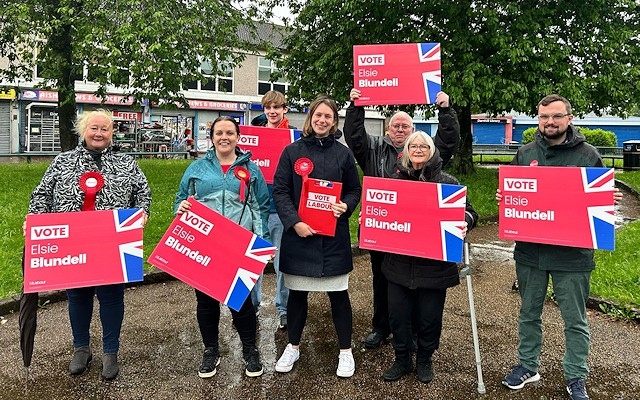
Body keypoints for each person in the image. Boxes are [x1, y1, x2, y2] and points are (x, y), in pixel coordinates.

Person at [498, 94, 623, 400]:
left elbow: (599, 199)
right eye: (543, 117)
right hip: (530, 252)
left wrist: (607, 201)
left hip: (573, 255)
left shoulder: (589, 155)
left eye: (555, 116)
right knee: (528, 313)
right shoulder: (525, 153)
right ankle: (528, 365)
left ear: (569, 117)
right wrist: (505, 200)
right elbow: (514, 195)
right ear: (537, 119)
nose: (549, 122)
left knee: (575, 319)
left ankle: (576, 376)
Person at [27, 109, 151, 380]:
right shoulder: (63, 162)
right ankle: (81, 348)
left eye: (104, 129)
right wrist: (34, 222)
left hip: (112, 242)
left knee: (111, 297)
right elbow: (41, 195)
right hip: (73, 244)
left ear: (111, 133)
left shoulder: (126, 163)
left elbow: (143, 192)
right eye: (94, 128)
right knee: (78, 296)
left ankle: (110, 351)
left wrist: (142, 214)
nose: (99, 133)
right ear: (83, 130)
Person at [343, 88, 461, 349]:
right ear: (387, 130)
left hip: (418, 233)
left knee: (417, 284)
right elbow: (354, 137)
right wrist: (355, 107)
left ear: (413, 130)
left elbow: (448, 141)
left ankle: (415, 332)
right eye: (395, 126)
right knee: (382, 279)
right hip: (383, 229)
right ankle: (381, 327)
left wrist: (445, 110)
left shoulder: (423, 150)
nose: (400, 130)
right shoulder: (372, 149)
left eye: (405, 126)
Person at [272, 95, 361, 378]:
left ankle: (345, 352)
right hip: (300, 237)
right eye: (318, 115)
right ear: (310, 117)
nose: (323, 120)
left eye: (329, 117)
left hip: (333, 238)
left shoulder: (344, 154)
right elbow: (281, 192)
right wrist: (294, 222)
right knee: (297, 295)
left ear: (335, 122)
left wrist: (346, 205)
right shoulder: (292, 151)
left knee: (339, 296)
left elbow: (354, 190)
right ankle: (293, 347)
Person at [174, 116, 270, 379]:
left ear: (238, 137)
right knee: (206, 300)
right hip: (205, 244)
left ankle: (250, 350)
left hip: (239, 244)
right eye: (219, 133)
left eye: (230, 132)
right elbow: (181, 198)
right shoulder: (196, 168)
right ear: (212, 136)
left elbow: (263, 205)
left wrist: (261, 242)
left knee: (241, 301)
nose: (224, 137)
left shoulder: (252, 169)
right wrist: (179, 208)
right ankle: (211, 350)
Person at [380, 131, 477, 383]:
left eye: (424, 146)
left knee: (429, 318)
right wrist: (373, 219)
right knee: (398, 317)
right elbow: (381, 211)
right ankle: (402, 359)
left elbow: (470, 212)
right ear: (407, 151)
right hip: (399, 265)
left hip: (433, 267)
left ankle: (424, 358)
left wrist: (465, 221)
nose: (419, 149)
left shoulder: (448, 182)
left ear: (432, 150)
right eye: (414, 145)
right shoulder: (395, 180)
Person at [250, 90, 296, 328]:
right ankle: (253, 307)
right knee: (252, 262)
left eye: (277, 107)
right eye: (268, 107)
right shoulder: (251, 136)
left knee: (282, 265)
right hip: (256, 209)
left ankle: (284, 309)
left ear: (284, 109)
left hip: (281, 209)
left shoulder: (293, 138)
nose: (272, 111)